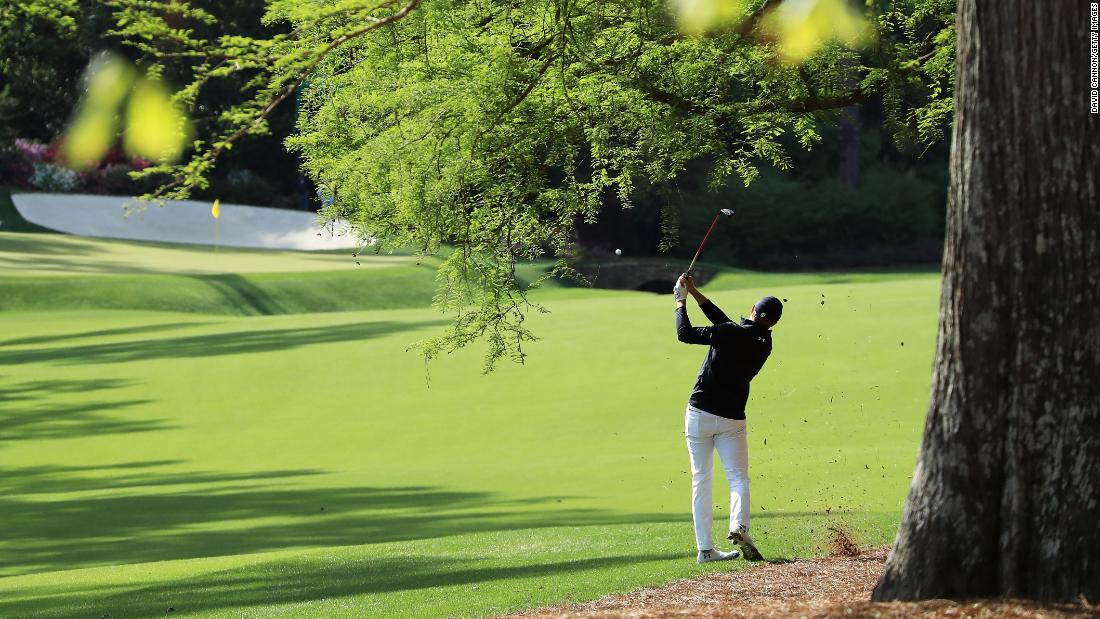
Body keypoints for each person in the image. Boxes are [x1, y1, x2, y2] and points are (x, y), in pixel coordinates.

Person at [673, 273, 782, 564]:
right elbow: (726, 325)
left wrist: (680, 302)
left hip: (700, 414)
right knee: (738, 478)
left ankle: (705, 550)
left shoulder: (730, 333)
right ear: (772, 322)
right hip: (732, 419)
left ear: (752, 310)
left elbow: (684, 334)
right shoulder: (764, 343)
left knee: (701, 480)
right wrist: (695, 292)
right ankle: (739, 526)